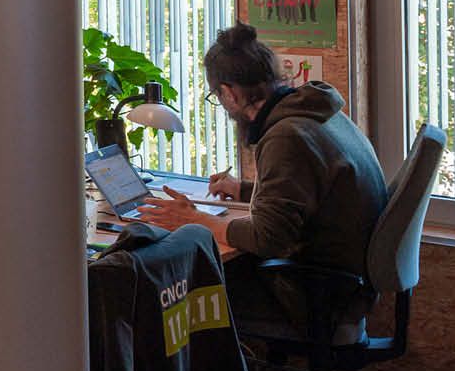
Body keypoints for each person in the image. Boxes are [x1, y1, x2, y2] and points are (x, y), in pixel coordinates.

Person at [135, 22, 388, 335]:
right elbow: (313, 191)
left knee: (177, 295)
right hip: (346, 280)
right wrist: (243, 190)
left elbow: (268, 239)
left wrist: (195, 220)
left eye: (217, 96)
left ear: (229, 93)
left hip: (319, 294)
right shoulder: (318, 112)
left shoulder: (286, 136)